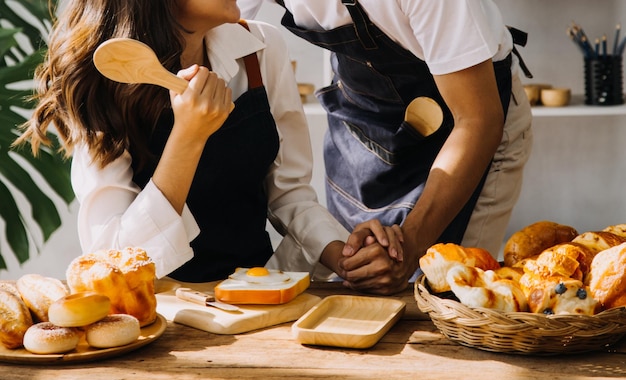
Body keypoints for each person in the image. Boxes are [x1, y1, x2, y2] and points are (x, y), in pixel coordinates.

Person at [14, 0, 403, 289]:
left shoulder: (261, 51)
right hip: (158, 320)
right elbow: (113, 262)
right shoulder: (103, 81)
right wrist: (189, 135)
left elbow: (289, 196)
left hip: (253, 301)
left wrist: (343, 255)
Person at [239, 0, 534, 292]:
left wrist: (410, 245)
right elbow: (211, 30)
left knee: (444, 295)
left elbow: (478, 121)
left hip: (468, 127)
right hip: (363, 124)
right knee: (359, 282)